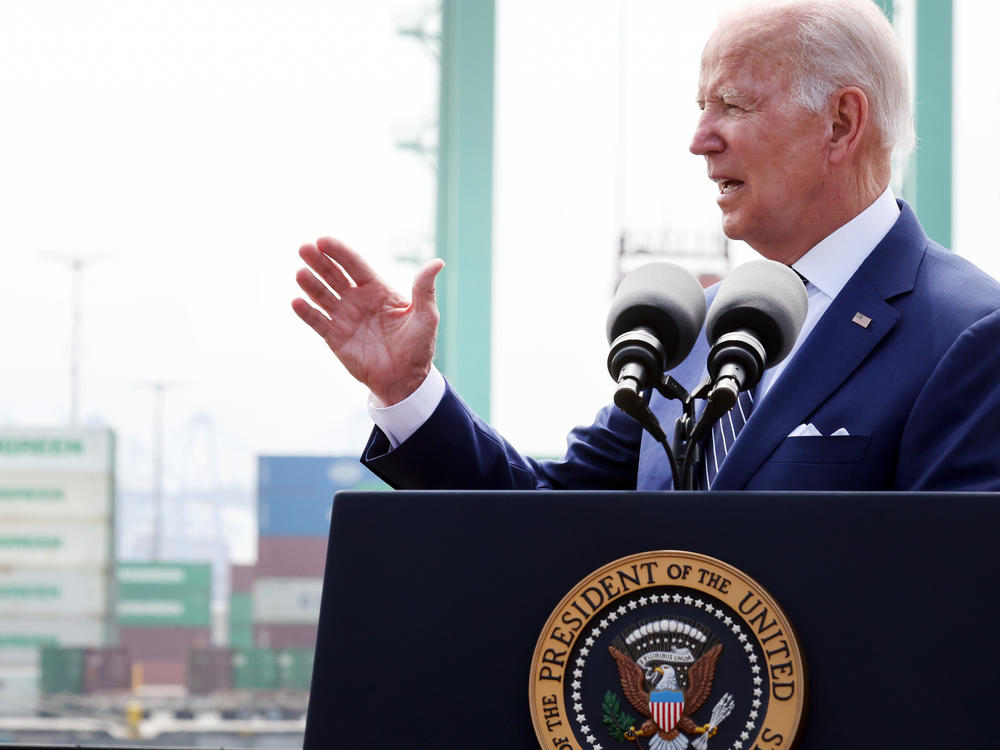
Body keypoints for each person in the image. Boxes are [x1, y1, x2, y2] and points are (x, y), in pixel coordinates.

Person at [293, 0, 1000, 492]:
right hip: (667, 715)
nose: (700, 140)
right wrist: (407, 392)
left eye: (733, 105)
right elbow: (545, 514)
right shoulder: (696, 329)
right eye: (701, 109)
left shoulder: (969, 335)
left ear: (842, 124)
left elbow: (955, 613)